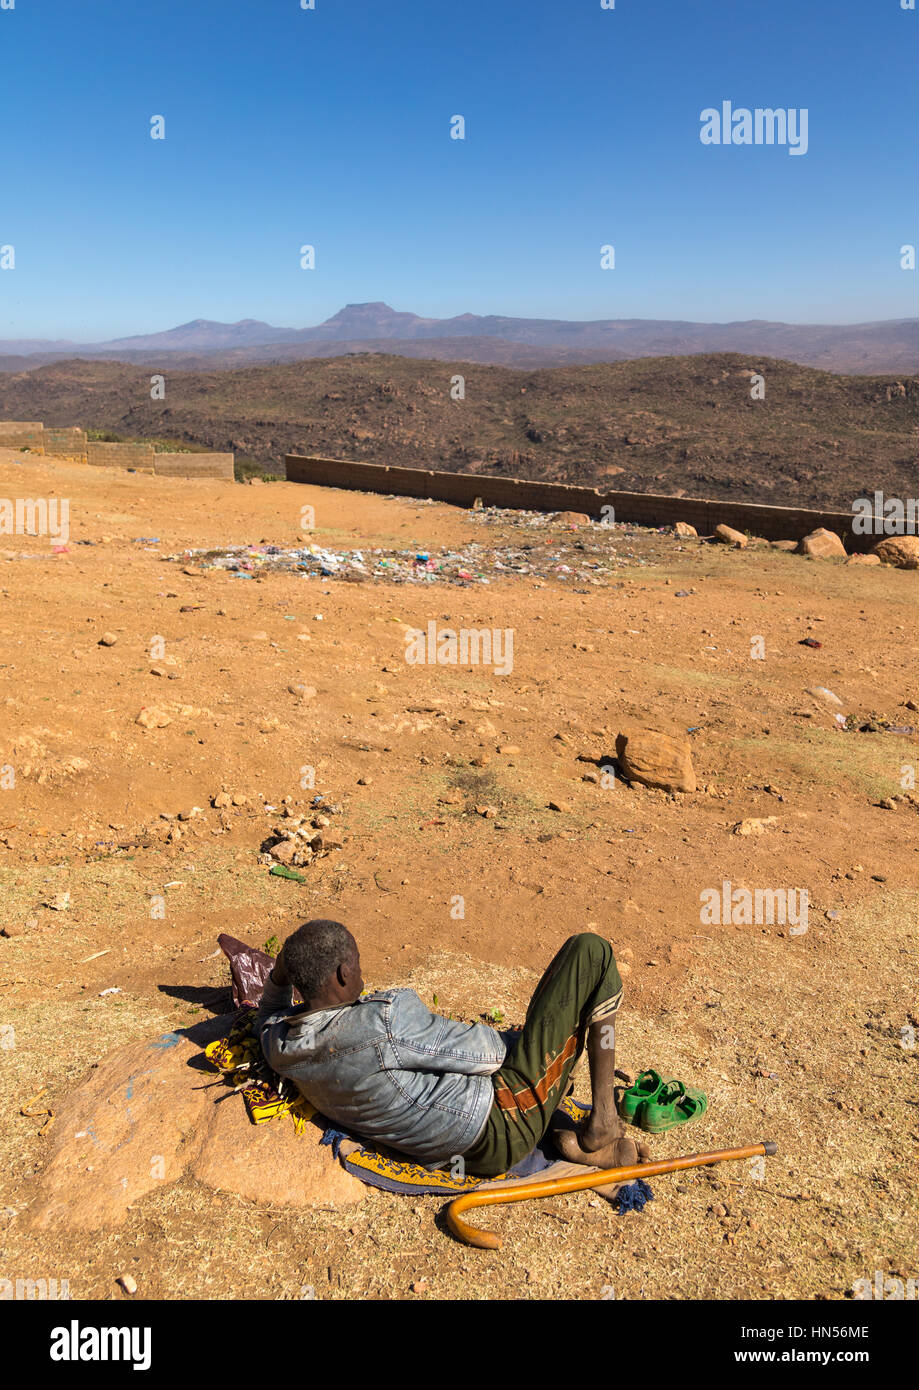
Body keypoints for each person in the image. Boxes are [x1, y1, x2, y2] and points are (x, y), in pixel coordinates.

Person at [256, 918, 639, 1177]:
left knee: (544, 1026)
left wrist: (279, 974)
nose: (360, 972)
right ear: (342, 973)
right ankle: (603, 1120)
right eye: (355, 964)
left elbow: (268, 1013)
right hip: (498, 1128)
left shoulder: (283, 1045)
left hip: (450, 1154)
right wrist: (534, 1036)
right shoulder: (381, 1022)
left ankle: (560, 1136)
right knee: (590, 951)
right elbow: (491, 1055)